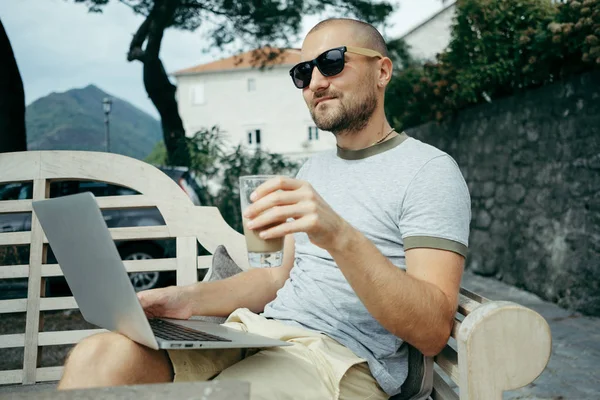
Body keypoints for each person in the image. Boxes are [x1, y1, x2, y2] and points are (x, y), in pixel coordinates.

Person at [57, 18, 470, 399]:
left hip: (339, 360)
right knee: (100, 357)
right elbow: (277, 278)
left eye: (331, 63)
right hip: (258, 336)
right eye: (303, 73)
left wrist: (339, 235)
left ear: (382, 71)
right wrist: (184, 300)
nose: (315, 82)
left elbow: (432, 330)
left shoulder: (428, 171)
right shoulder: (313, 169)